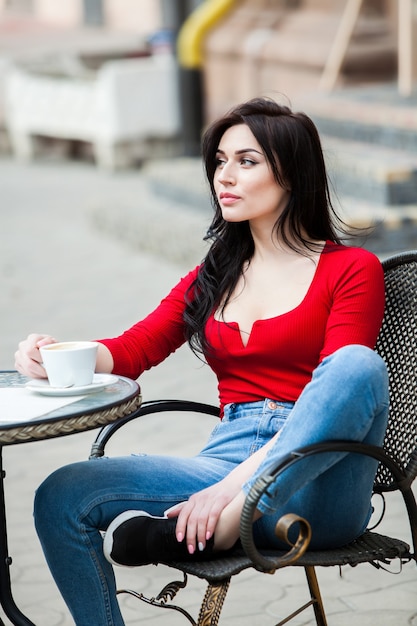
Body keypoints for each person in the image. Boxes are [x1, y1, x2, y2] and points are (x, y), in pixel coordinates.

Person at [15, 97, 389, 626]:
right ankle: (222, 523)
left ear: (294, 172)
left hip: (319, 479)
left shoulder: (352, 268)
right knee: (61, 493)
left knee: (358, 365)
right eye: (219, 161)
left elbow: (344, 388)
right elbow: (129, 351)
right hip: (224, 459)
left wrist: (229, 491)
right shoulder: (213, 275)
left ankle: (229, 516)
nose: (224, 176)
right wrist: (49, 356)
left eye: (246, 161)